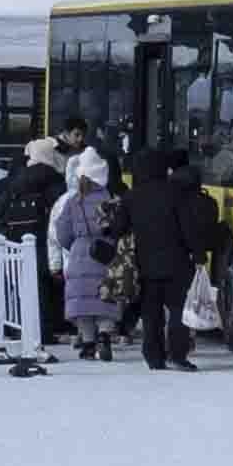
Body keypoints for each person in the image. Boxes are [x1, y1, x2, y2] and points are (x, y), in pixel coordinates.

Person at [124, 139, 213, 371]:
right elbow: (188, 227)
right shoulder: (177, 193)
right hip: (178, 263)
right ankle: (178, 354)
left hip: (145, 264)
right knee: (178, 311)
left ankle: (154, 356)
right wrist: (199, 253)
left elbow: (119, 228)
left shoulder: (133, 196)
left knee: (151, 314)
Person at [42, 141, 110, 355]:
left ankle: (88, 342)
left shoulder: (72, 201)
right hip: (106, 252)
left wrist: (74, 245)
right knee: (105, 296)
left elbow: (60, 231)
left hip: (80, 252)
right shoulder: (110, 198)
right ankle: (105, 335)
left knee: (82, 300)